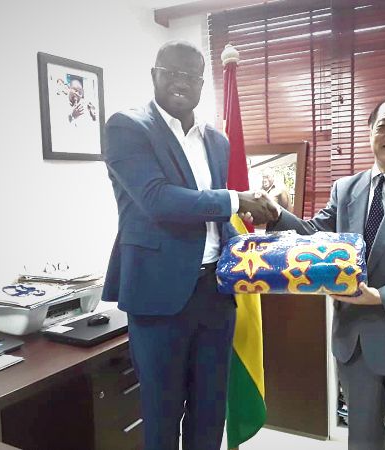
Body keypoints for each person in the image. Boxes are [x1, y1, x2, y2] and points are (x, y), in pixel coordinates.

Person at [254, 94, 385, 450]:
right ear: (370, 132)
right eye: (383, 126)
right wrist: (274, 215)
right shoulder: (346, 188)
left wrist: (379, 297)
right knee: (362, 441)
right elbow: (314, 238)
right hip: (356, 346)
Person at [101, 40, 277, 450]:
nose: (181, 82)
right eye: (171, 72)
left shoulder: (217, 141)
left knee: (210, 409)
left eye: (191, 76)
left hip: (215, 294)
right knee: (162, 414)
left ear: (202, 84)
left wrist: (256, 244)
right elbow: (157, 200)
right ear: (154, 75)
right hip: (158, 296)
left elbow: (213, 218)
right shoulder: (127, 127)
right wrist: (237, 199)